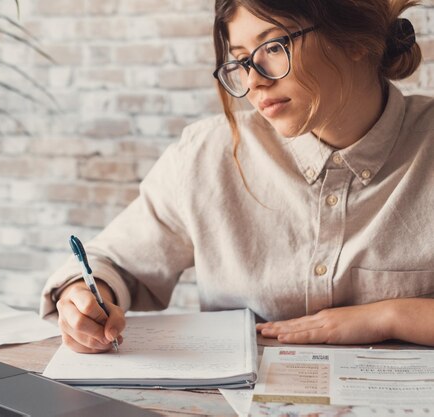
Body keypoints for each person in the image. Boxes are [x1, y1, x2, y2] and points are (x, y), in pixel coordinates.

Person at [40, 0, 434, 353]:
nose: (254, 81)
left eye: (273, 48)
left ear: (354, 40)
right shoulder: (207, 154)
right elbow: (115, 262)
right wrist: (84, 295)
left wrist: (391, 316)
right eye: (242, 61)